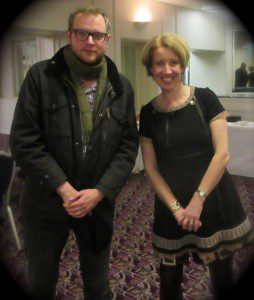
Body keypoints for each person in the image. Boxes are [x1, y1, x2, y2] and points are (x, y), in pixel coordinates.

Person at [10, 6, 138, 300]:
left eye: (97, 34)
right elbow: (25, 141)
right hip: (45, 201)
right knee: (42, 282)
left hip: (97, 204)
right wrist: (65, 190)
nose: (89, 41)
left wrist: (100, 191)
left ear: (106, 38)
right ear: (70, 35)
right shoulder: (40, 76)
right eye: (82, 33)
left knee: (98, 285)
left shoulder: (122, 87)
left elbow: (127, 146)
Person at [139, 33, 252, 300]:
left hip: (212, 200)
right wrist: (178, 208)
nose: (167, 70)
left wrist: (197, 201)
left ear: (183, 65)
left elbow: (222, 155)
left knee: (221, 277)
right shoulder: (147, 112)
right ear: (150, 68)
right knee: (169, 282)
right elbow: (151, 169)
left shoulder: (205, 98)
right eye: (159, 63)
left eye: (174, 62)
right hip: (171, 206)